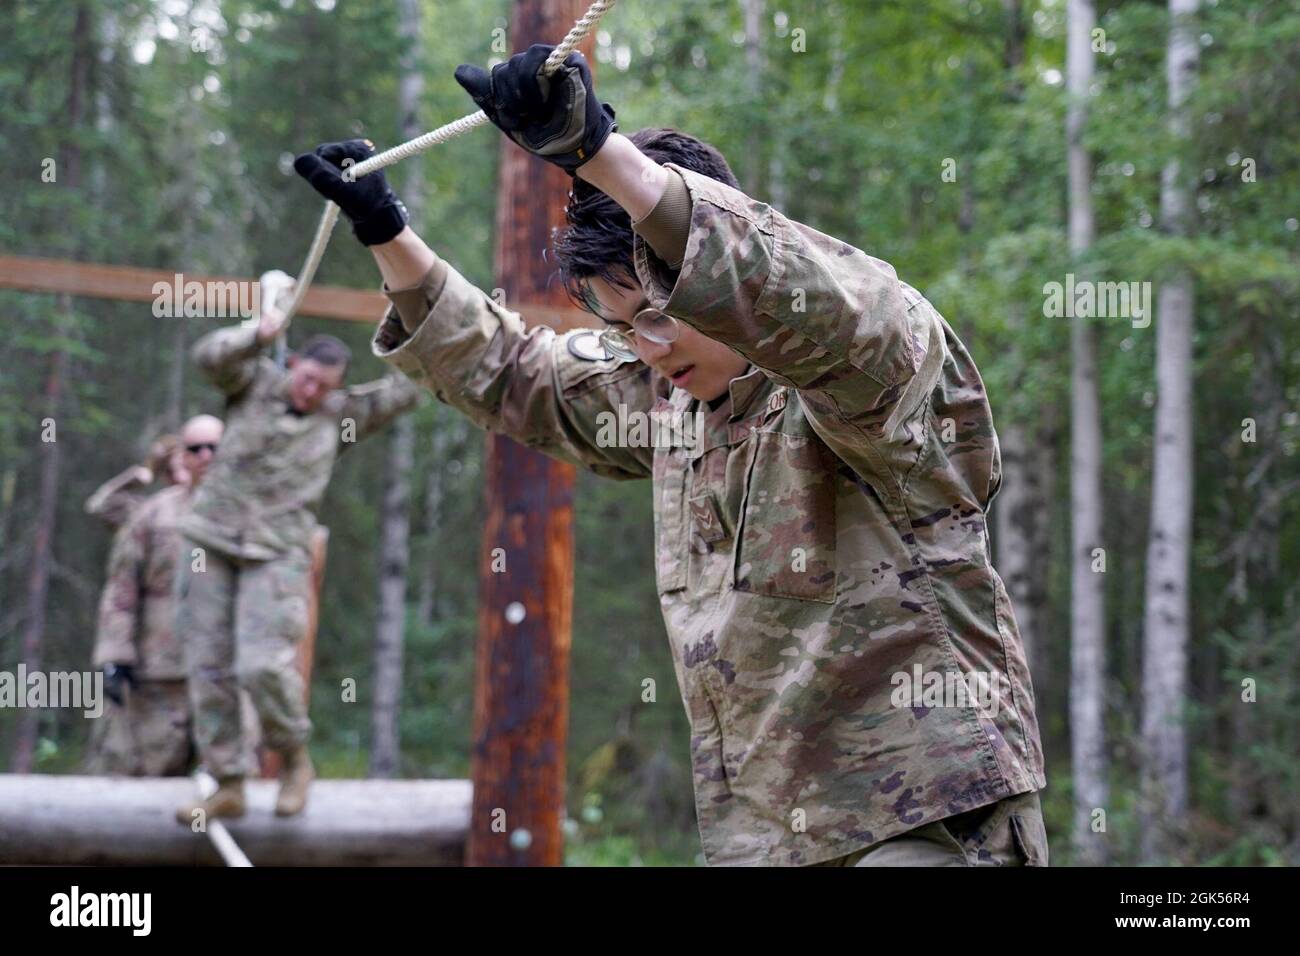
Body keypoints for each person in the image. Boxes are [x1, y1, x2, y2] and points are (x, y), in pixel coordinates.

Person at [294, 45, 1047, 866]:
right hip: (766, 841)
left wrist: (599, 154)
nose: (648, 348)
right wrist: (386, 230)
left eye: (661, 311)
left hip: (924, 821)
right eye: (622, 329)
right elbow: (513, 374)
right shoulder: (670, 406)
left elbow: (832, 305)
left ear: (702, 272)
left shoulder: (869, 383)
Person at [174, 277, 422, 823]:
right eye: (307, 380)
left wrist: (414, 312)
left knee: (262, 666)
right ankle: (229, 781)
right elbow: (208, 358)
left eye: (324, 386)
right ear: (293, 368)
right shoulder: (252, 384)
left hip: (278, 551)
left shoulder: (341, 417)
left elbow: (410, 388)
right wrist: (257, 332)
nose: (311, 393)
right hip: (210, 542)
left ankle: (293, 760)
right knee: (207, 668)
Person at [87, 415, 224, 776]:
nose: (206, 456)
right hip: (162, 670)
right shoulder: (152, 515)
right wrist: (115, 656)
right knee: (150, 767)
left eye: (216, 448)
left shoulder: (252, 514)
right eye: (196, 449)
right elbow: (121, 590)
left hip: (227, 670)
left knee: (231, 775)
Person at [84, 432, 187, 529]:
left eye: (186, 467)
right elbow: (95, 505)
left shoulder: (199, 502)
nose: (180, 477)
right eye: (169, 471)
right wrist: (130, 478)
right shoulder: (153, 510)